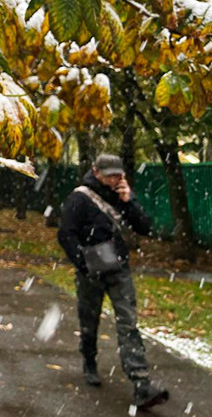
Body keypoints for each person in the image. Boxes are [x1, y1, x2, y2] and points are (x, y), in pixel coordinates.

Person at [58, 154, 169, 409]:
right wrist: (84, 263)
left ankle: (141, 383)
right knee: (89, 321)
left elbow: (144, 227)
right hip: (90, 272)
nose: (115, 179)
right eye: (110, 175)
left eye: (118, 174)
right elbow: (65, 234)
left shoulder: (122, 195)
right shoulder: (80, 198)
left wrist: (129, 202)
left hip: (119, 269)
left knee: (128, 323)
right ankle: (89, 360)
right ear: (96, 171)